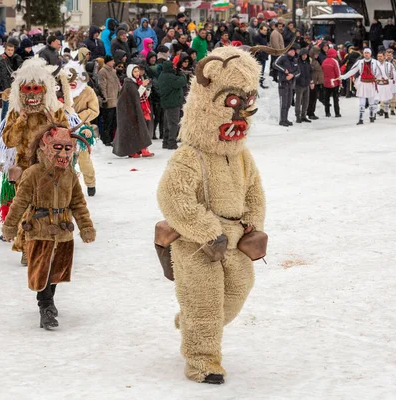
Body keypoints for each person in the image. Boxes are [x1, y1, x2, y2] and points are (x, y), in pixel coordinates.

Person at [157, 46, 266, 385]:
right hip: (197, 244)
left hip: (235, 240)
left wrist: (252, 225)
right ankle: (202, 360)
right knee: (205, 302)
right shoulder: (190, 156)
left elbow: (254, 192)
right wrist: (206, 229)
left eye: (245, 102)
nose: (240, 114)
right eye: (233, 102)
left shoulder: (242, 156)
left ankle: (190, 322)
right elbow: (172, 197)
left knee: (237, 291)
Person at [2, 123, 95, 330]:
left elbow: (78, 203)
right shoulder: (34, 173)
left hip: (63, 232)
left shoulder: (70, 175)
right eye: (57, 147)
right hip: (39, 229)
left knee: (56, 270)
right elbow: (20, 202)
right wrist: (10, 225)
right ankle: (45, 305)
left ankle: (49, 300)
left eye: (67, 148)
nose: (63, 153)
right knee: (41, 269)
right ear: (45, 147)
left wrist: (86, 227)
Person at [113, 64, 154, 158]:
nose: (137, 73)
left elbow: (141, 96)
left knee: (139, 130)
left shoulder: (137, 82)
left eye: (138, 71)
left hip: (137, 110)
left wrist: (147, 88)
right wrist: (143, 87)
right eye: (135, 71)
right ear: (130, 72)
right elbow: (136, 96)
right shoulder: (129, 84)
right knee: (138, 130)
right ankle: (138, 150)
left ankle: (139, 150)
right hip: (131, 112)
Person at [338, 48, 380, 125]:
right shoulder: (360, 62)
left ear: (370, 54)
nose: (366, 54)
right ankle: (361, 119)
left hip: (371, 84)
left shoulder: (376, 62)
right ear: (363, 54)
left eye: (368, 53)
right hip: (363, 84)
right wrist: (343, 76)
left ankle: (371, 116)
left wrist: (381, 79)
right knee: (362, 103)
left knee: (371, 101)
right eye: (365, 53)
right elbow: (352, 71)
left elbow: (381, 72)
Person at [158, 60, 186, 150]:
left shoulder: (162, 75)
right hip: (173, 102)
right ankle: (172, 142)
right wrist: (182, 74)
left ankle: (165, 142)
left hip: (166, 102)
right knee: (173, 123)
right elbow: (181, 82)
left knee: (167, 123)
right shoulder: (170, 77)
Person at [274, 44, 300, 126]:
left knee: (288, 103)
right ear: (288, 51)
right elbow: (275, 64)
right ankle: (282, 120)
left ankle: (286, 119)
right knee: (284, 103)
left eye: (293, 51)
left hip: (290, 84)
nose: (292, 52)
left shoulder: (295, 60)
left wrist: (292, 75)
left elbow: (298, 71)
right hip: (283, 84)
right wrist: (284, 70)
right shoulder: (283, 57)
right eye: (291, 50)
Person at [0, 42, 23, 121]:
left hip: (14, 87)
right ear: (5, 50)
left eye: (12, 50)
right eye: (8, 50)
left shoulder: (15, 57)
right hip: (5, 88)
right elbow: (3, 76)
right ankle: (3, 125)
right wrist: (7, 89)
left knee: (15, 107)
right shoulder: (2, 59)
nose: (10, 52)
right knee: (6, 107)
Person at [97, 55, 120, 146]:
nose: (113, 62)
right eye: (112, 61)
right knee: (108, 122)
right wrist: (105, 98)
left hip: (115, 100)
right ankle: (106, 139)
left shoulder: (113, 71)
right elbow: (102, 86)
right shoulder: (103, 72)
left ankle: (111, 138)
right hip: (109, 100)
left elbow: (117, 84)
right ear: (107, 62)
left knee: (113, 122)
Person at [375, 51, 396, 118]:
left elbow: (394, 74)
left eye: (381, 56)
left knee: (386, 99)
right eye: (378, 56)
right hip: (378, 83)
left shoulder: (389, 65)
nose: (379, 58)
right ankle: (373, 114)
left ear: (384, 57)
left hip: (386, 84)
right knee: (376, 99)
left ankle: (386, 112)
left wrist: (394, 81)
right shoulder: (374, 64)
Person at [321, 48, 341, 118]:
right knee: (335, 98)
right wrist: (339, 82)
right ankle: (337, 113)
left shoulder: (324, 61)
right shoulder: (334, 61)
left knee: (326, 98)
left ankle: (327, 112)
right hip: (334, 82)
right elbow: (338, 72)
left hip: (326, 82)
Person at [294, 48, 312, 124]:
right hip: (299, 85)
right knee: (298, 101)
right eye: (303, 55)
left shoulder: (308, 63)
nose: (304, 56)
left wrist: (310, 81)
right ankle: (298, 116)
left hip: (306, 84)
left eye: (305, 55)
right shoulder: (297, 63)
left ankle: (304, 115)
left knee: (306, 101)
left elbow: (310, 73)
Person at [308, 46, 323, 120]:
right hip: (312, 82)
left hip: (316, 82)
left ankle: (311, 112)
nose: (317, 55)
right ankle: (310, 113)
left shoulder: (315, 60)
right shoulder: (310, 60)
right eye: (316, 54)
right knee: (312, 98)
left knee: (314, 98)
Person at [253, 25, 270, 89]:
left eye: (266, 30)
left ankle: (261, 83)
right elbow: (256, 46)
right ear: (260, 30)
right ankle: (258, 83)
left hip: (264, 56)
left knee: (262, 70)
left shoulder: (265, 36)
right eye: (264, 30)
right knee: (259, 70)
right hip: (259, 56)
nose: (265, 31)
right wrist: (260, 53)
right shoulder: (257, 37)